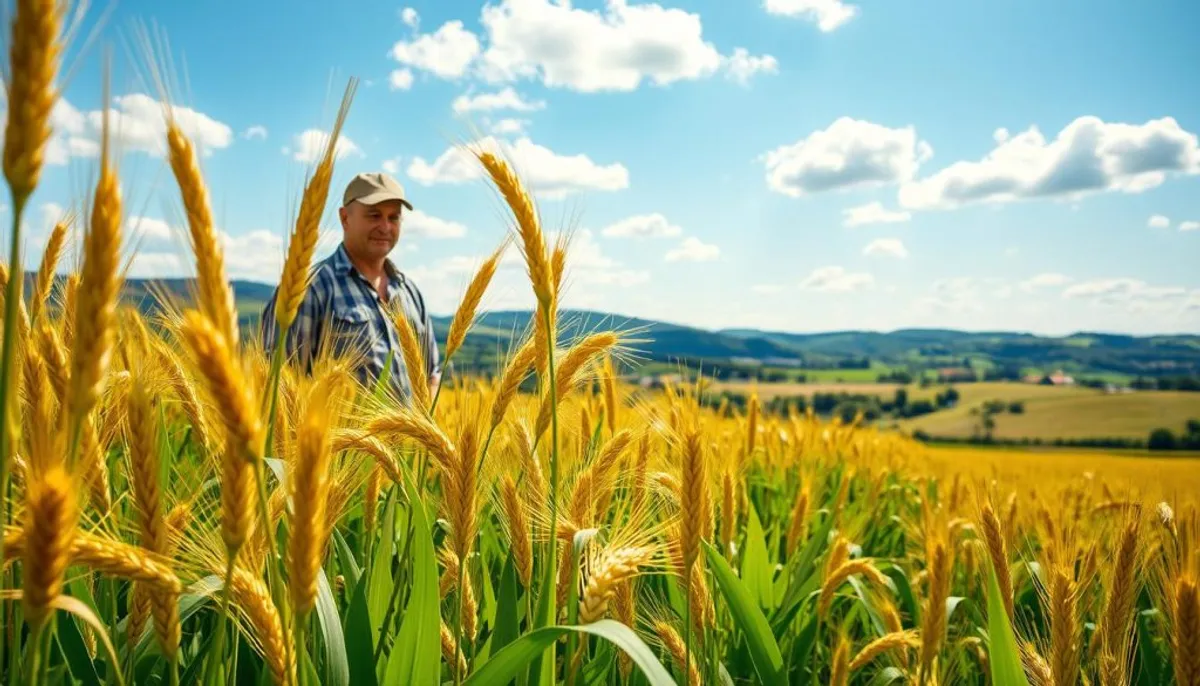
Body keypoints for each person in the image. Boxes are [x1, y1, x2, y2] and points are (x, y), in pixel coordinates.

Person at [260, 171, 441, 404]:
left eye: (394, 218)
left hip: (409, 440)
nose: (385, 227)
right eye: (374, 215)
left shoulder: (410, 292)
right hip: (337, 440)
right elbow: (277, 383)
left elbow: (432, 373)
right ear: (345, 218)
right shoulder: (310, 287)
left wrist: (424, 431)